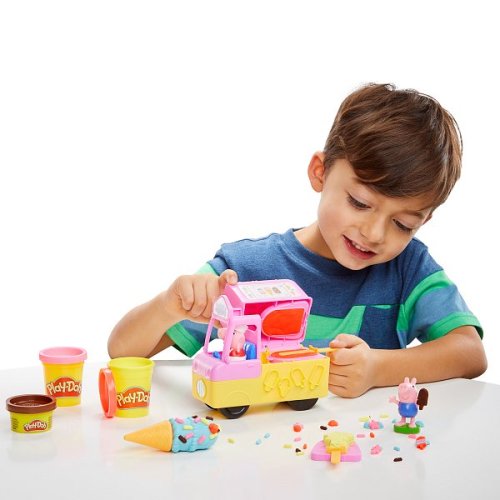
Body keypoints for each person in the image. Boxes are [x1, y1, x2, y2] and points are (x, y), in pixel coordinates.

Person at [108, 83, 487, 397]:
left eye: (403, 224)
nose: (374, 234)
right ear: (320, 173)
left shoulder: (407, 269)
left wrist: (378, 368)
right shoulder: (246, 269)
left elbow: (470, 352)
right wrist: (169, 306)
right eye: (359, 203)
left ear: (424, 220)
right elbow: (122, 351)